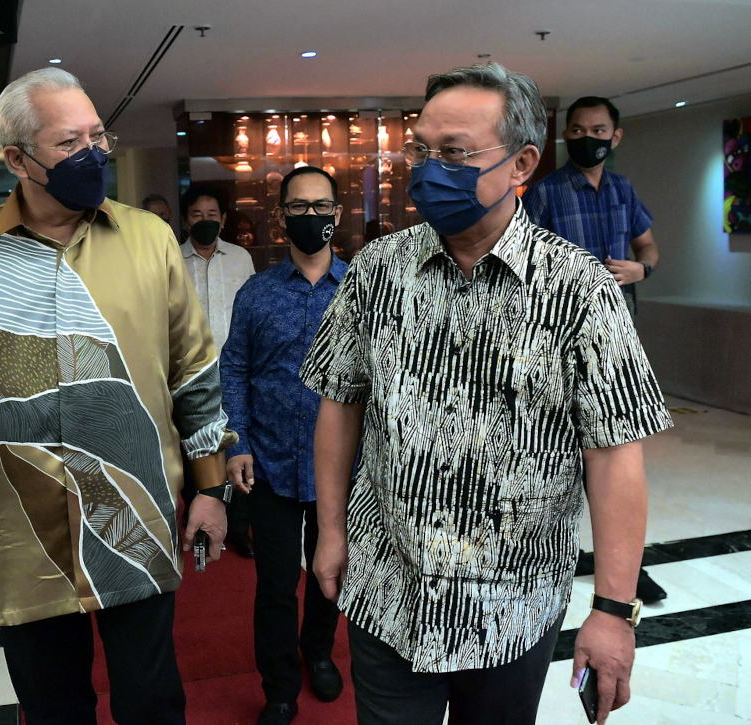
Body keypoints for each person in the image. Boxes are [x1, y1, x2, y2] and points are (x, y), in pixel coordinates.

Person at [0, 67, 233, 725]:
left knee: (152, 702)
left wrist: (209, 487)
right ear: (18, 158)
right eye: (70, 141)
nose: (94, 152)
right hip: (19, 533)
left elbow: (193, 370)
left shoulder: (149, 241)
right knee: (54, 708)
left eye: (98, 134)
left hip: (133, 522)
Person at [301, 62, 672, 725]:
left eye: (453, 153)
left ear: (522, 163)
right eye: (420, 149)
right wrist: (329, 530)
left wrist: (614, 610)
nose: (426, 169)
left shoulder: (579, 290)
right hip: (390, 592)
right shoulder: (377, 271)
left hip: (513, 608)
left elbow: (615, 456)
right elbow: (339, 403)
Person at [522, 96, 666, 604]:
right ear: (566, 137)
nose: (589, 138)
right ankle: (549, 559)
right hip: (557, 347)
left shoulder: (624, 190)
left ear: (615, 136)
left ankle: (627, 570)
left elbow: (649, 248)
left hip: (619, 342)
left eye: (598, 129)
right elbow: (524, 266)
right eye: (578, 129)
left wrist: (639, 269)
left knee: (622, 460)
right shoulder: (543, 194)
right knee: (570, 462)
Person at [222, 167, 348, 724]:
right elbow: (234, 369)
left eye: (321, 206)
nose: (310, 217)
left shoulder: (361, 292)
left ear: (337, 215)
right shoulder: (256, 293)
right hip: (270, 463)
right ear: (282, 217)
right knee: (274, 585)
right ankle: (279, 686)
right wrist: (237, 442)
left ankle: (318, 653)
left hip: (341, 469)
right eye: (298, 207)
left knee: (329, 572)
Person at [180, 184, 257, 557]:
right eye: (197, 214)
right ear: (185, 219)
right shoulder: (172, 258)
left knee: (235, 449)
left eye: (212, 215)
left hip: (235, 370)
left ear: (224, 220)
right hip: (188, 374)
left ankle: (238, 527)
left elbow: (252, 313)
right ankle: (194, 522)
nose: (205, 221)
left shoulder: (241, 258)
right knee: (192, 447)